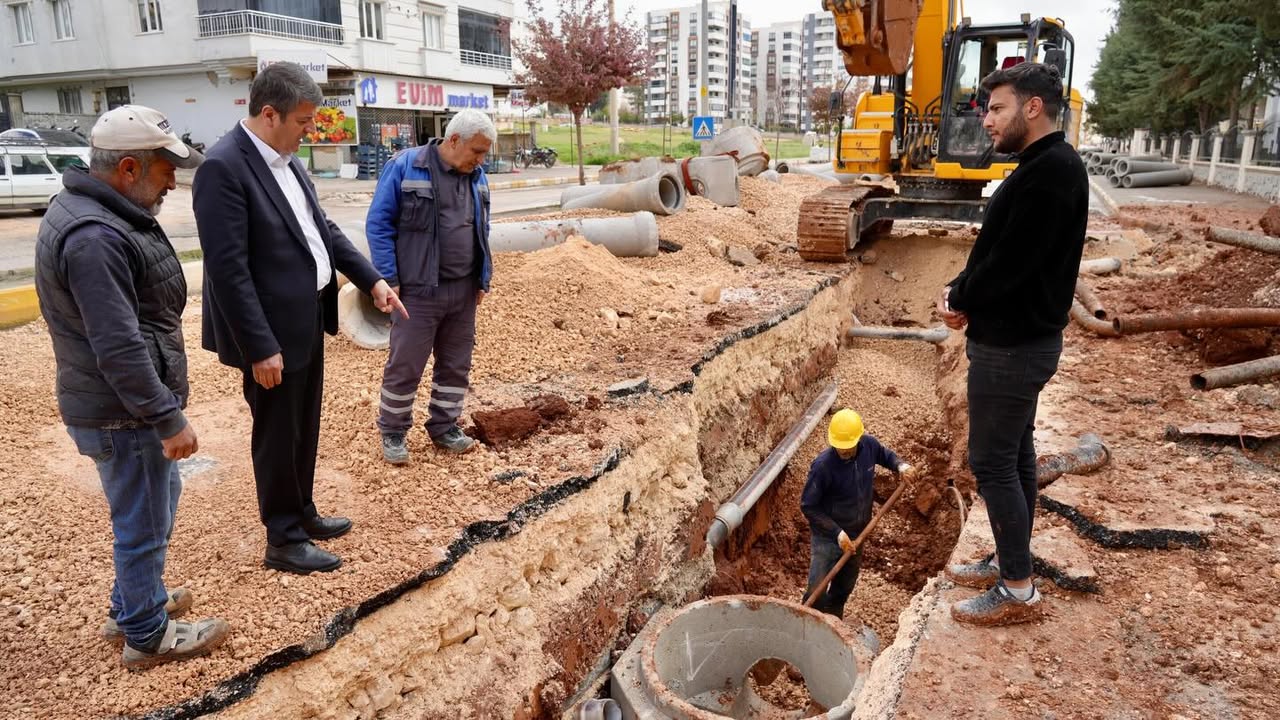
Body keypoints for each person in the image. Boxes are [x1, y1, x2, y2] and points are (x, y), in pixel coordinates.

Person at [34, 105, 230, 668]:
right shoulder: (95, 237)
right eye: (166, 169)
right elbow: (118, 346)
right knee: (142, 524)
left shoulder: (97, 214)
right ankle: (147, 634)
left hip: (117, 406)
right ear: (127, 167)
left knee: (154, 508)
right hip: (123, 413)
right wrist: (166, 417)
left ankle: (132, 605)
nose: (174, 180)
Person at [194, 62, 407, 575]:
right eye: (304, 122)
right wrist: (258, 346)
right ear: (270, 114)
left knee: (303, 424)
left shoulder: (287, 160)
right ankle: (283, 538)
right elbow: (228, 271)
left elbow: (323, 231)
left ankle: (303, 511)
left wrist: (371, 278)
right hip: (268, 331)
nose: (310, 132)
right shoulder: (224, 168)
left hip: (308, 316)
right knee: (275, 432)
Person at [937, 62, 1087, 625]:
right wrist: (964, 290)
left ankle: (1018, 591)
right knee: (1017, 453)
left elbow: (1011, 266)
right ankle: (1010, 558)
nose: (988, 122)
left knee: (992, 461)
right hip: (1018, 340)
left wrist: (960, 297)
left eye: (997, 109)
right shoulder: (1044, 166)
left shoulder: (1050, 172)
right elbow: (1002, 258)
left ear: (1032, 107)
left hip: (1012, 348)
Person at [366, 109, 496, 463]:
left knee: (456, 364)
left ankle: (444, 426)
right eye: (477, 152)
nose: (481, 160)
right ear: (454, 140)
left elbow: (482, 230)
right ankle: (393, 431)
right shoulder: (407, 167)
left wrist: (483, 276)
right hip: (417, 292)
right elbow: (379, 225)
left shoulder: (479, 178)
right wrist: (389, 279)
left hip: (463, 290)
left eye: (484, 153)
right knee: (406, 363)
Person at [800, 409, 914, 619]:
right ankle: (807, 628)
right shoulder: (823, 466)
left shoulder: (869, 446)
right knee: (816, 592)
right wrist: (837, 533)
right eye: (839, 448)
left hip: (857, 534)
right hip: (828, 538)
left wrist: (900, 465)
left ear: (858, 438)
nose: (843, 452)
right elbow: (809, 506)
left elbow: (885, 455)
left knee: (843, 588)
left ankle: (834, 624)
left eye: (847, 448)